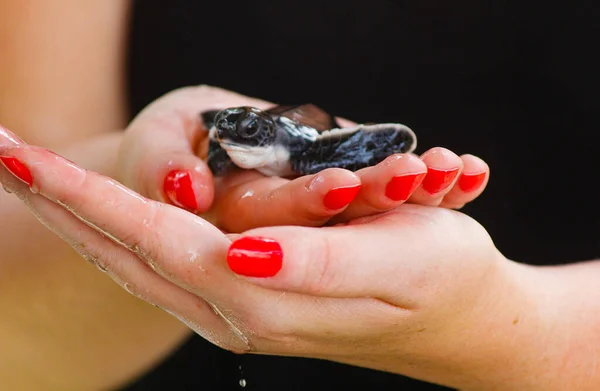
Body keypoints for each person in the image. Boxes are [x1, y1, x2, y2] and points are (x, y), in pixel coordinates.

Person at [1, 2, 598, 391]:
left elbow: (332, 138)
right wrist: (134, 184)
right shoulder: (229, 141)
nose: (231, 139)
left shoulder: (295, 144)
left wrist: (515, 326)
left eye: (242, 133)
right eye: (223, 132)